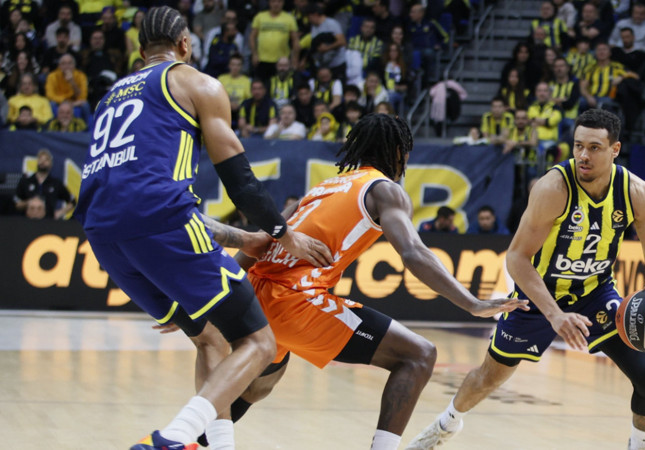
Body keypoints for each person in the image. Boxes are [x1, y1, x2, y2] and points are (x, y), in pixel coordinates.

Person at [72, 7, 332, 449]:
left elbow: (136, 196)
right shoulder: (196, 83)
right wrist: (284, 235)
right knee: (259, 342)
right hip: (161, 224)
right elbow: (241, 183)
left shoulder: (110, 97)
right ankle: (173, 437)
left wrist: (244, 239)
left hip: (103, 234)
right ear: (185, 44)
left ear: (140, 50)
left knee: (209, 337)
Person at [195, 113, 529, 450]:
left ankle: (191, 440)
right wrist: (472, 303)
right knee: (418, 355)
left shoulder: (323, 187)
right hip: (294, 299)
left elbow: (260, 243)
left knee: (258, 386)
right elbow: (413, 252)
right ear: (399, 153)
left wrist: (222, 297)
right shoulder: (385, 190)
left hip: (256, 293)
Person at [407, 109, 645, 450]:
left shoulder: (636, 191)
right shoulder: (553, 187)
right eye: (578, 145)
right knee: (488, 377)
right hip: (539, 295)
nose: (583, 155)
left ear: (615, 149)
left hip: (596, 292)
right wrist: (555, 314)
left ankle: (639, 445)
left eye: (594, 147)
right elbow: (516, 257)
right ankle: (446, 423)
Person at [15, 149, 76, 219]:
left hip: (49, 221)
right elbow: (17, 203)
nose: (42, 162)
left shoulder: (55, 183)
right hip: (27, 221)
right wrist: (29, 203)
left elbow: (72, 201)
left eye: (46, 160)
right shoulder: (26, 181)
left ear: (51, 163)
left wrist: (60, 213)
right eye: (40, 159)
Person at [250, 0, 299, 81]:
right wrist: (254, 54)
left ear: (283, 3)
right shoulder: (260, 17)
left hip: (282, 61)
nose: (276, 4)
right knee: (262, 84)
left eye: (279, 2)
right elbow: (252, 37)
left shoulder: (289, 18)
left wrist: (294, 58)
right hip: (262, 59)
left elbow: (295, 40)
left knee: (280, 84)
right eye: (273, 1)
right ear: (269, 3)